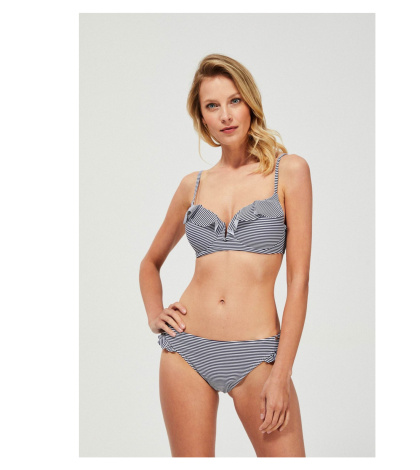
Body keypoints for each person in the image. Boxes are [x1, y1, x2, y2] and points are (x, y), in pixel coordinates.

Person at [139, 53, 312, 457]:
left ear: (250, 103)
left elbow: (299, 281)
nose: (226, 115)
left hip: (258, 355)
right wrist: (154, 314)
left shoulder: (289, 172)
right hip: (185, 351)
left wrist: (281, 374)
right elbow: (149, 263)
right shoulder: (193, 186)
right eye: (212, 106)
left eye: (234, 101)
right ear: (202, 118)